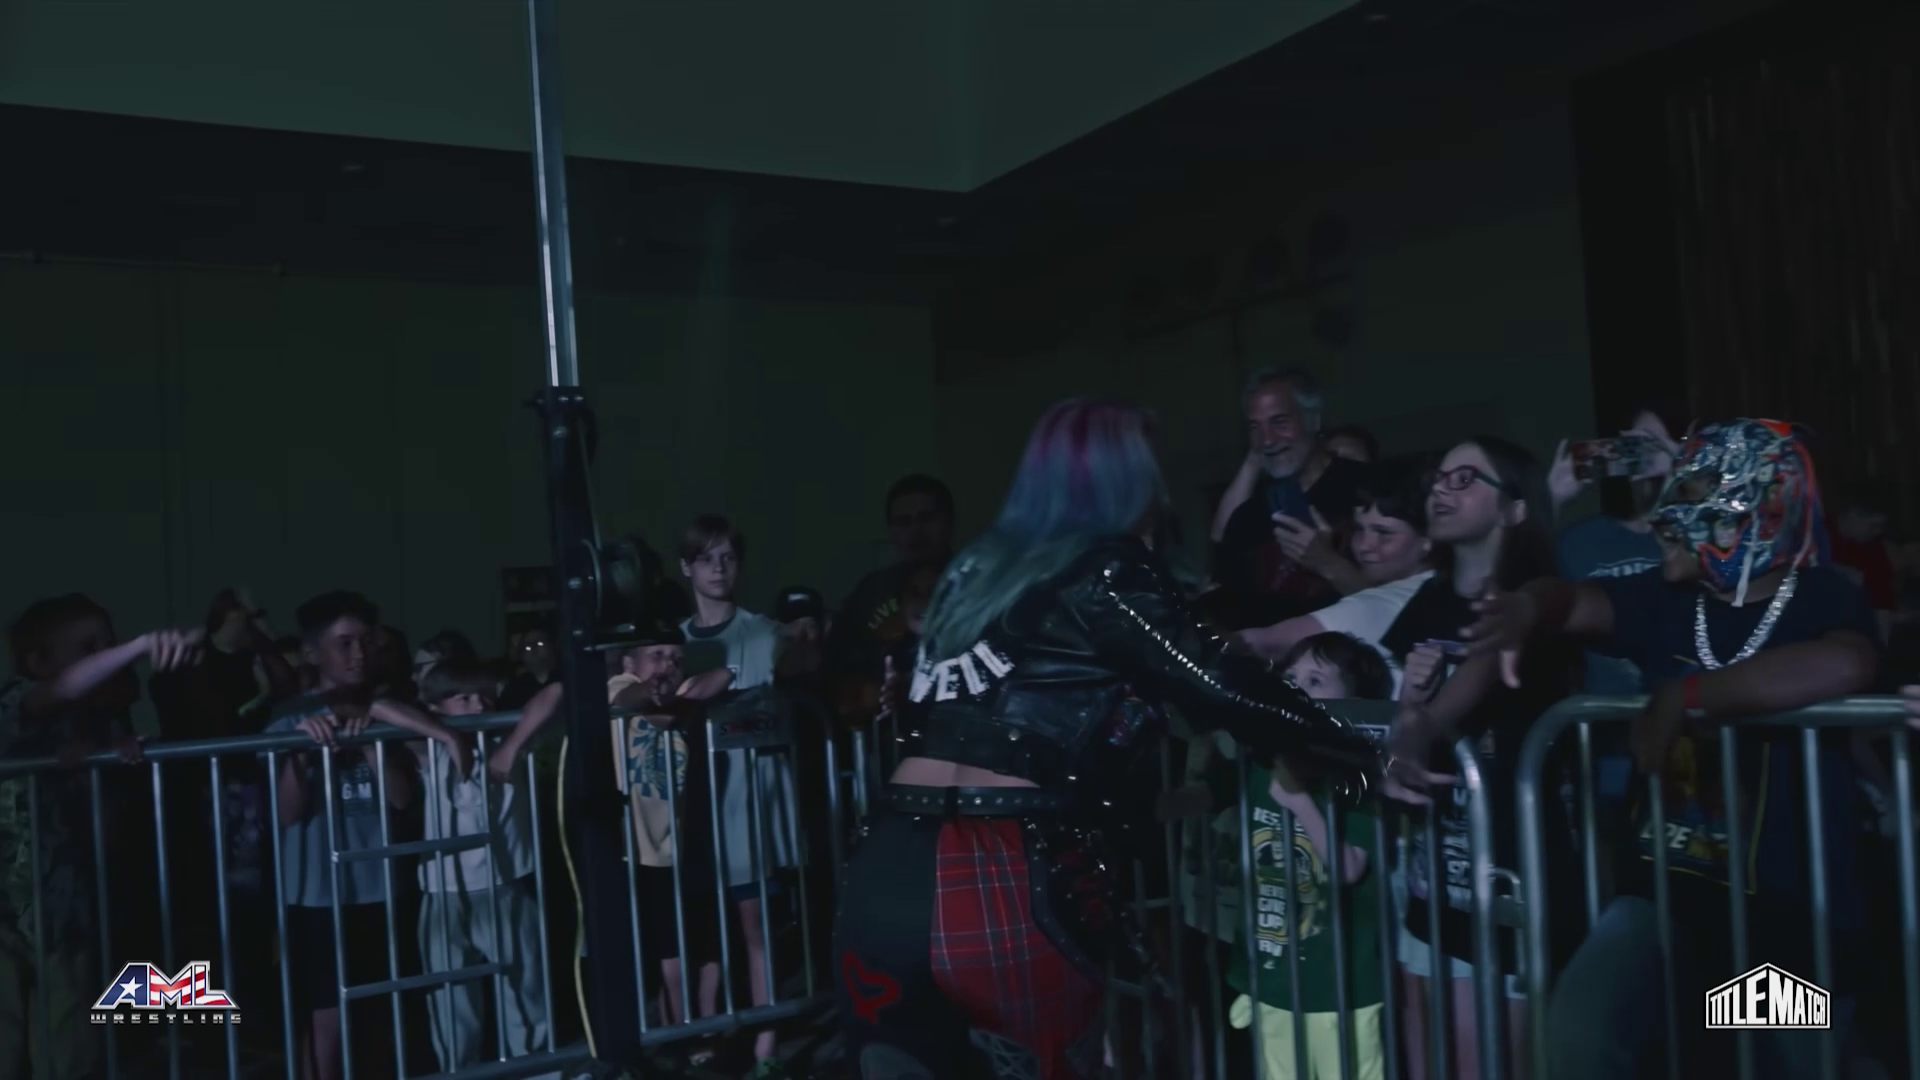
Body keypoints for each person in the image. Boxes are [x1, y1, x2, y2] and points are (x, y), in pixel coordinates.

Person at [832, 398, 1381, 1080]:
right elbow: (1219, 686)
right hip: (997, 862)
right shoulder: (1103, 565)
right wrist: (1365, 750)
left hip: (886, 863)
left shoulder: (976, 571)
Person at [1464, 420, 1880, 1080]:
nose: (1662, 520)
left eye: (1690, 501)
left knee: (1781, 1064)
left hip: (1785, 916)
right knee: (1580, 1034)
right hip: (1664, 897)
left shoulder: (1818, 595)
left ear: (1752, 516)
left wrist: (1686, 696)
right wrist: (1525, 607)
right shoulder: (1665, 598)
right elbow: (1569, 602)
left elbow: (1844, 665)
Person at [1379, 436, 1569, 1080]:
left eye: (1466, 479)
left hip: (1512, 880)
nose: (1442, 487)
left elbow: (1482, 668)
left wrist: (1422, 724)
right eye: (1440, 476)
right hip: (1434, 875)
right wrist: (1410, 708)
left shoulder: (1528, 602)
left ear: (1514, 508)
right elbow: (1407, 704)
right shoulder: (1426, 601)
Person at [266, 590, 469, 1080]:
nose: (359, 653)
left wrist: (373, 749)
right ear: (312, 652)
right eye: (344, 643)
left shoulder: (388, 711)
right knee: (326, 1014)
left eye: (365, 642)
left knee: (383, 1008)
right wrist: (301, 753)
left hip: (380, 886)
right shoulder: (289, 716)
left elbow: (400, 799)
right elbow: (287, 813)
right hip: (316, 892)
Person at [0, 597, 196, 1080]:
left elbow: (107, 828)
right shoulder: (17, 698)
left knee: (70, 1042)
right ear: (36, 662)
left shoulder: (102, 722)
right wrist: (141, 645)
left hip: (64, 910)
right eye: (90, 648)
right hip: (6, 908)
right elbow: (61, 688)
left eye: (109, 644)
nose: (109, 657)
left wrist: (103, 764)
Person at [1225, 632, 1391, 1080]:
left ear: (1353, 705)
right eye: (1290, 678)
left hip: (1338, 987)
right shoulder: (1263, 763)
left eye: (1315, 681)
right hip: (1275, 980)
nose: (1296, 690)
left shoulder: (1358, 777)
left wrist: (1300, 801)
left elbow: (1349, 867)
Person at [677, 514, 801, 1076]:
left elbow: (792, 673)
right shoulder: (674, 641)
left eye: (728, 557)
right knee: (701, 928)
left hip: (747, 803)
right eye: (707, 558)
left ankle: (766, 1046)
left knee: (755, 927)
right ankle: (705, 1034)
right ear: (687, 567)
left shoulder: (763, 632)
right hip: (692, 805)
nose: (719, 568)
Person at [413, 658, 553, 1079]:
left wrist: (513, 745)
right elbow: (378, 706)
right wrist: (444, 734)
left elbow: (557, 691)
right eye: (464, 698)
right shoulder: (432, 750)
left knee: (526, 998)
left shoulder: (506, 739)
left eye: (485, 696)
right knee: (453, 1007)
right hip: (444, 894)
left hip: (505, 886)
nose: (479, 706)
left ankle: (535, 1073)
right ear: (437, 707)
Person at [1236, 455, 1436, 691]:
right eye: (1359, 529)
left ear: (1428, 539)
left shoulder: (1408, 598)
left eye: (1384, 533)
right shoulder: (1432, 591)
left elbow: (1266, 644)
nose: (1365, 545)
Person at [1210, 369, 1372, 630]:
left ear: (1313, 421)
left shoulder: (1368, 487)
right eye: (1255, 427)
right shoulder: (1246, 517)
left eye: (1280, 422)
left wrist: (1327, 563)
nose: (1267, 440)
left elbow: (1402, 604)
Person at [826, 474, 956, 723]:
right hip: (888, 734)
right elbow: (837, 663)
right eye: (903, 522)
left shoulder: (977, 586)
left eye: (927, 518)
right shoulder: (871, 591)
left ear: (948, 521)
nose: (916, 531)